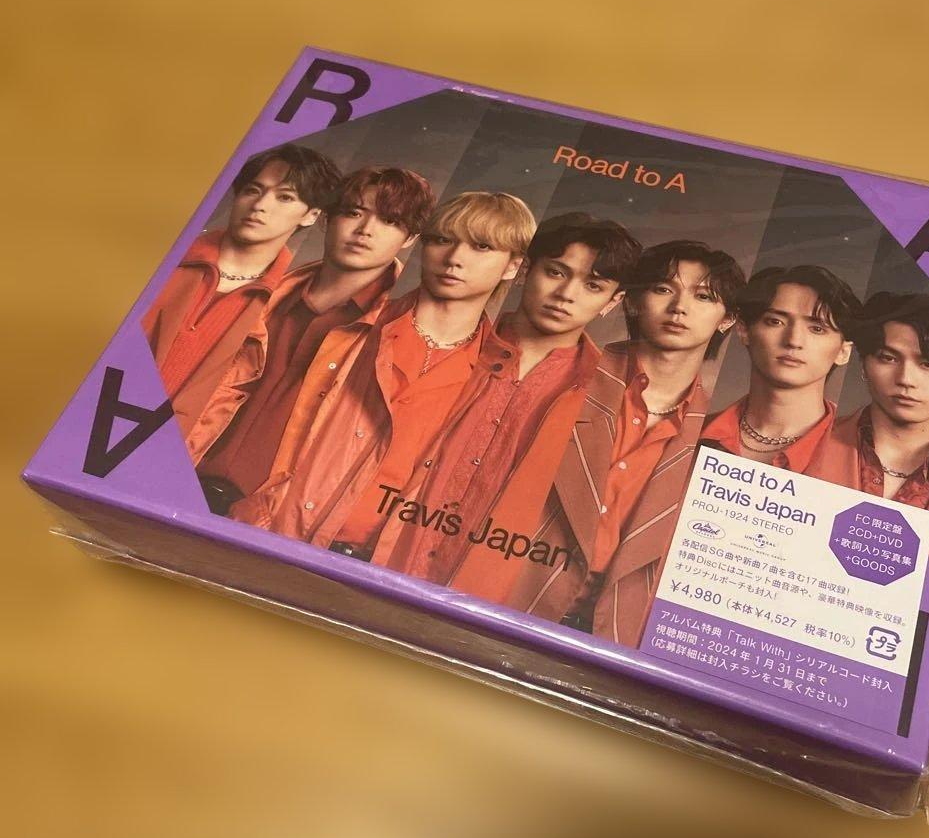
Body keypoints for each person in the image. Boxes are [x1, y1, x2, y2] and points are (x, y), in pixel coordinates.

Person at [228, 191, 537, 547]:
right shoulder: (354, 326)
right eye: (442, 240)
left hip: (371, 561)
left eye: (482, 247)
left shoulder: (496, 376)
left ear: (513, 266)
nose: (454, 259)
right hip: (270, 531)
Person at [374, 213, 642, 588]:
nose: (566, 294)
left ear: (613, 301)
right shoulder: (457, 342)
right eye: (556, 272)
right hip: (378, 557)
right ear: (525, 269)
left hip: (484, 589)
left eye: (592, 286)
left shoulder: (606, 398)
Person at [503, 241, 745, 647]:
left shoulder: (716, 437)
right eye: (663, 289)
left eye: (703, 297)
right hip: (510, 600)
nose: (679, 308)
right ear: (632, 300)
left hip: (611, 636)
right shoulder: (566, 375)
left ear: (728, 319)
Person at [195, 166, 435, 514]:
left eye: (389, 221)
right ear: (326, 218)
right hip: (185, 475)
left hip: (268, 515)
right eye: (353, 213)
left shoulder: (399, 332)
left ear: (410, 238)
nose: (365, 230)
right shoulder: (264, 294)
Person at [142, 143, 340, 460]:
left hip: (167, 458)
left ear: (311, 215)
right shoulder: (163, 260)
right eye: (252, 190)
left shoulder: (285, 304)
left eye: (285, 197)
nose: (260, 205)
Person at [817, 291, 929, 553]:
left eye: (928, 364)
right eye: (888, 358)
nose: (905, 379)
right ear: (864, 365)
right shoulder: (809, 442)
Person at [701, 264, 860, 475]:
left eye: (817, 329)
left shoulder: (858, 460)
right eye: (775, 322)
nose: (794, 340)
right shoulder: (695, 432)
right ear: (743, 331)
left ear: (843, 351)